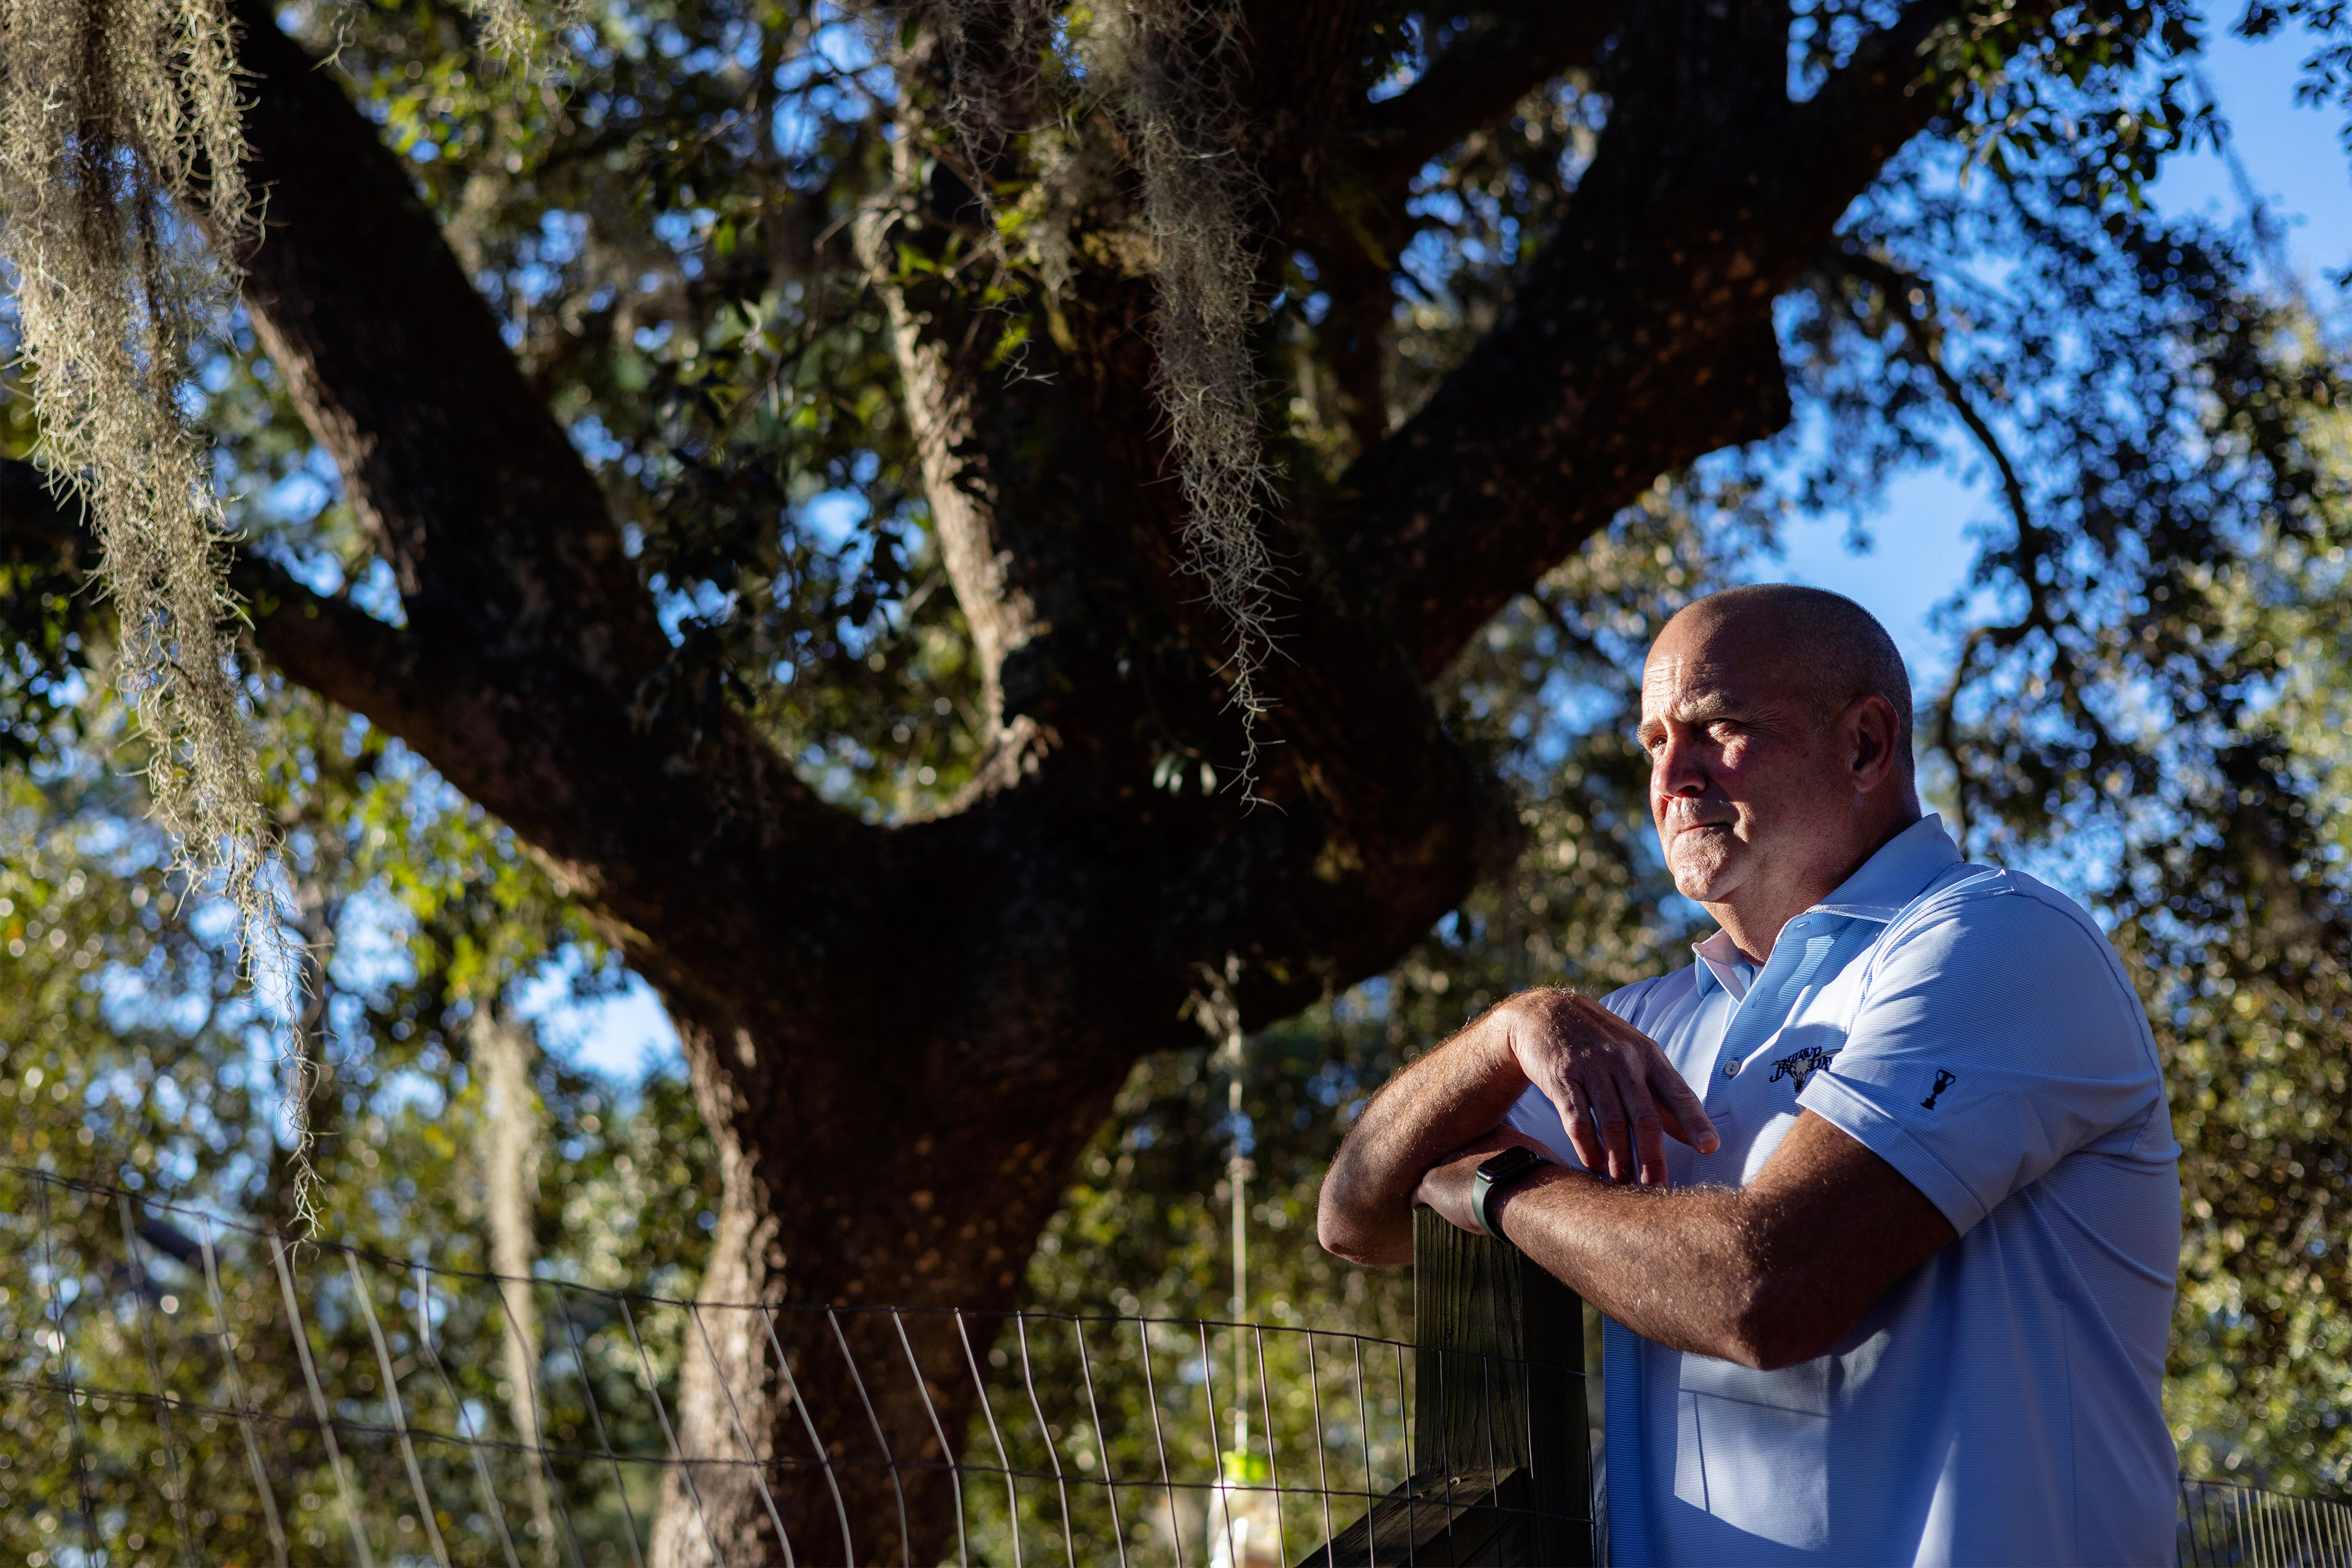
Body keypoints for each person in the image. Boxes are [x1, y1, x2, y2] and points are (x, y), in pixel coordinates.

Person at [1317, 584, 2180, 1566]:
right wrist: (1511, 1030)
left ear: (1865, 745)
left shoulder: (1999, 940)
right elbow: (1356, 1217)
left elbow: (1768, 1291)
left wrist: (1503, 1183)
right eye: (1652, 743)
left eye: (1719, 728)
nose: (1673, 776)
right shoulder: (1641, 1027)